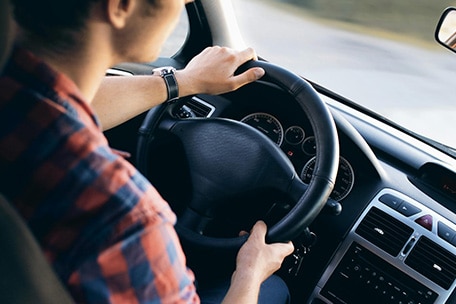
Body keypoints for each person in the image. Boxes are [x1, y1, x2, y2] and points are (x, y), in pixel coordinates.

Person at [0, 0, 295, 303]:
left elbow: (64, 102)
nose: (188, 2)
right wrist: (250, 272)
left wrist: (184, 81)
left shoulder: (16, 97)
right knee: (274, 290)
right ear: (120, 7)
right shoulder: (124, 219)